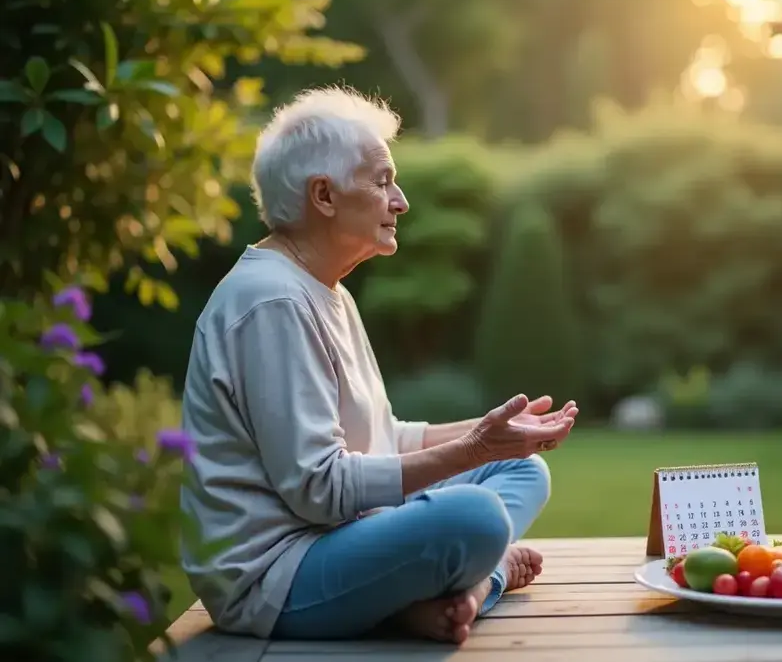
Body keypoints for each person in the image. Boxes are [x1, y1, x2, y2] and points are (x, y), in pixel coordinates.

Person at [178, 87, 579, 645]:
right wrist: (472, 450)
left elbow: (381, 438)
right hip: (275, 579)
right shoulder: (272, 302)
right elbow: (319, 489)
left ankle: (433, 596)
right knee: (477, 519)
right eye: (382, 180)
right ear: (324, 195)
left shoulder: (328, 292)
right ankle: (481, 582)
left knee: (521, 471)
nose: (401, 200)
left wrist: (495, 437)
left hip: (340, 538)